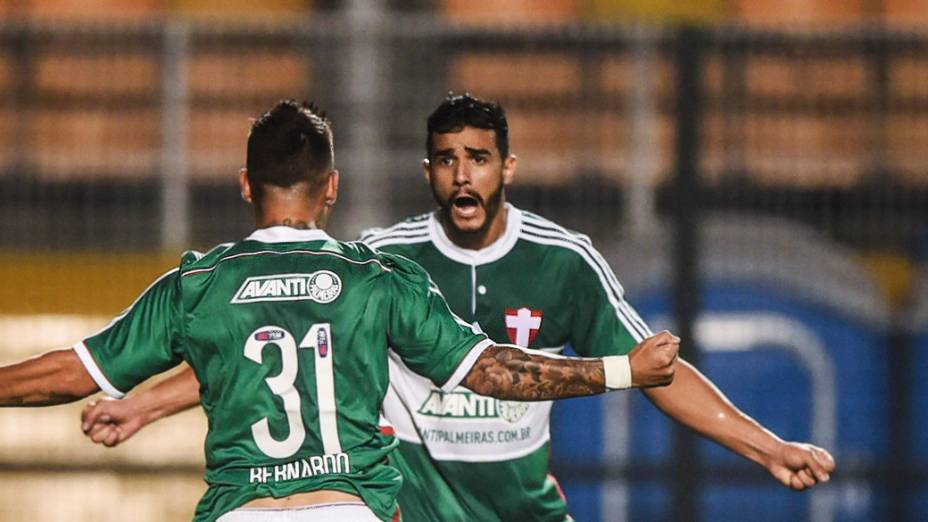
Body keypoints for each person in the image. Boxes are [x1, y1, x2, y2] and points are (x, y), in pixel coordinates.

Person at [79, 95, 835, 521]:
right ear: (429, 171)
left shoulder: (563, 262)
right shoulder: (384, 262)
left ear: (507, 166)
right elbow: (275, 344)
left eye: (477, 158)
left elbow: (657, 372)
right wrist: (147, 406)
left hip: (522, 510)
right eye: (446, 160)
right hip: (415, 509)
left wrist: (769, 447)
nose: (461, 176)